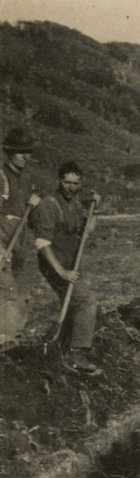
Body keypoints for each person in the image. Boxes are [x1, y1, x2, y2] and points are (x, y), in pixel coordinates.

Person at [29, 162, 101, 373]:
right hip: (55, 265)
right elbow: (42, 243)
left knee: (72, 305)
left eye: (75, 183)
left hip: (71, 263)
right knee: (86, 302)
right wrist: (60, 271)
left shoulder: (74, 204)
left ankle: (54, 347)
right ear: (59, 180)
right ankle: (76, 354)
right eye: (67, 182)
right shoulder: (49, 205)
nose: (70, 187)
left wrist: (95, 210)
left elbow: (87, 231)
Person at [1, 128, 41, 342]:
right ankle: (4, 343)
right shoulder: (1, 178)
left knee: (22, 294)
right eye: (21, 152)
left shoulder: (26, 180)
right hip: (3, 246)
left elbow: (32, 220)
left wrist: (35, 207)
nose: (26, 156)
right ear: (9, 152)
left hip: (21, 246)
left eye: (28, 152)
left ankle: (16, 339)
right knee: (6, 295)